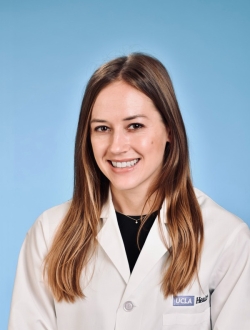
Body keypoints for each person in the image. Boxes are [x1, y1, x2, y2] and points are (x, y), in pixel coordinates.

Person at [9, 53, 250, 330]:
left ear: (170, 130)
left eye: (134, 126)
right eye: (102, 128)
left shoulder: (227, 239)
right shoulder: (48, 233)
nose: (116, 146)